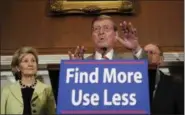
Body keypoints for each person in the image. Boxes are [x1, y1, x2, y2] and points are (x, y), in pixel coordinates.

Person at [1, 46, 56, 115]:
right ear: (18, 68)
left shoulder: (47, 90)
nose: (30, 64)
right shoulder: (7, 91)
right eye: (25, 61)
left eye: (33, 61)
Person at [68, 15, 147, 60]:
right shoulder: (83, 64)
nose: (101, 32)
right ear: (92, 35)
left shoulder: (128, 60)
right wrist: (76, 68)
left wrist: (136, 48)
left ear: (115, 34)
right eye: (96, 29)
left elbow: (152, 79)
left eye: (106, 28)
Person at [144, 44, 184, 114]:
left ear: (161, 59)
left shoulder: (175, 84)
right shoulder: (132, 82)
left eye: (151, 52)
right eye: (144, 53)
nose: (148, 55)